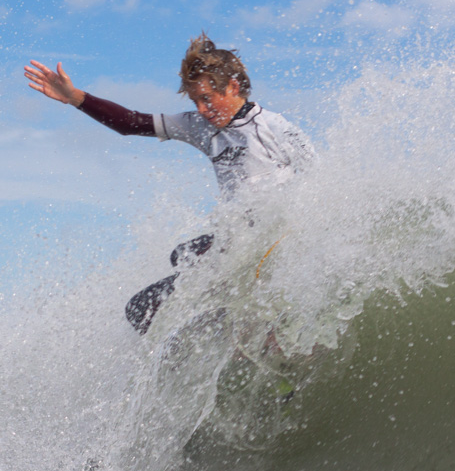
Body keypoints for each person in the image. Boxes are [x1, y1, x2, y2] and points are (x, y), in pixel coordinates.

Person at [25, 34, 314, 334]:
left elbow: (318, 179)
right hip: (236, 239)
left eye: (207, 98)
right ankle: (192, 351)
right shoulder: (199, 127)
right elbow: (131, 123)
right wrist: (76, 98)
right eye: (195, 101)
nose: (202, 109)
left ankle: (243, 327)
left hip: (272, 238)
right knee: (152, 292)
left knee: (195, 258)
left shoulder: (272, 126)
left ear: (233, 87)